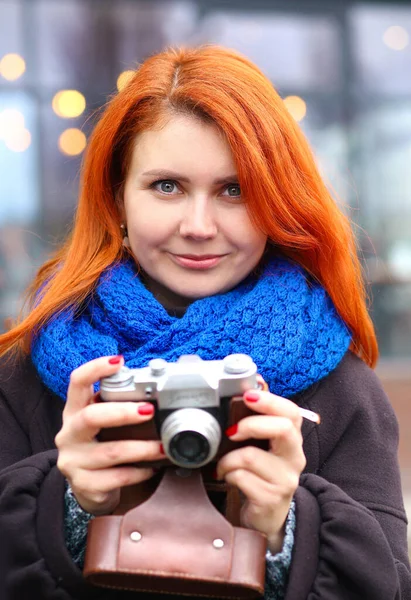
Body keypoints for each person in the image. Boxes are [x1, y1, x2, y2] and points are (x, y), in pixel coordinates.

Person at [0, 44, 409, 600]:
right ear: (117, 197)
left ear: (277, 202)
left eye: (234, 190)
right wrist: (69, 506)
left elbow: (390, 584)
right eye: (166, 186)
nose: (198, 225)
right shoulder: (22, 376)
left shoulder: (340, 389)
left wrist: (287, 529)